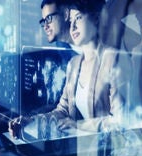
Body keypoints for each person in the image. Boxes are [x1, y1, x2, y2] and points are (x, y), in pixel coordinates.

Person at [51, 1, 120, 133]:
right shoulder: (73, 64)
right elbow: (62, 110)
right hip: (80, 148)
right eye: (70, 21)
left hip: (107, 148)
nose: (73, 27)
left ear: (95, 18)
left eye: (78, 18)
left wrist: (79, 125)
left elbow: (120, 120)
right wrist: (31, 121)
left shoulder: (112, 58)